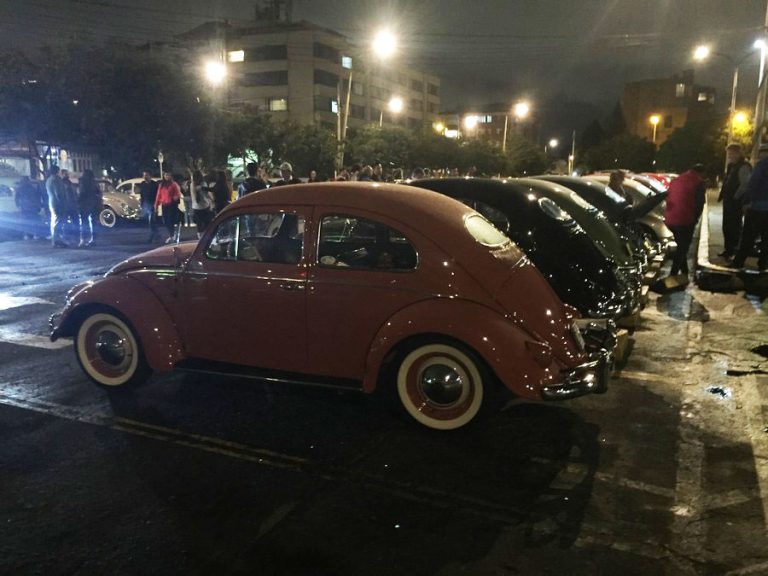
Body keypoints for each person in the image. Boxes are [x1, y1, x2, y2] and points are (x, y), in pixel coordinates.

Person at [664, 164, 706, 277]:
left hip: (670, 219)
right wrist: (695, 218)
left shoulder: (677, 179)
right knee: (683, 248)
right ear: (701, 173)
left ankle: (684, 272)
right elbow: (700, 203)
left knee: (682, 245)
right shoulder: (699, 182)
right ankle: (672, 275)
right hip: (685, 219)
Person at [732, 144, 768, 271]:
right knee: (766, 239)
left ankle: (738, 262)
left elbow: (753, 184)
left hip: (757, 208)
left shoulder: (761, 165)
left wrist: (747, 202)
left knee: (748, 237)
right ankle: (763, 264)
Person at [717, 143, 752, 259]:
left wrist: (735, 197)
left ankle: (733, 250)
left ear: (738, 153)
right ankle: (728, 249)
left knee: (734, 227)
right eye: (729, 154)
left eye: (732, 153)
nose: (730, 156)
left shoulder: (744, 166)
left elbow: (744, 185)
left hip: (736, 202)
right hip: (728, 201)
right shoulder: (731, 166)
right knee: (726, 226)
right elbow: (727, 182)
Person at [154, 171, 182, 244]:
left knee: (170, 220)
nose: (167, 176)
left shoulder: (174, 184)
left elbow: (178, 193)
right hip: (164, 205)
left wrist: (174, 198)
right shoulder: (161, 185)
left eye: (168, 175)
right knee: (165, 221)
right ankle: (171, 234)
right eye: (166, 175)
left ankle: (172, 235)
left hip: (171, 205)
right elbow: (158, 195)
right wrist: (156, 205)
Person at [77, 169, 102, 247]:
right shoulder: (94, 183)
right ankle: (93, 239)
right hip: (94, 204)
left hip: (84, 205)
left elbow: (81, 193)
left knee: (84, 222)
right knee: (94, 222)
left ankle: (83, 240)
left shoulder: (83, 182)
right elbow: (99, 193)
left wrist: (78, 201)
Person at [45, 165, 68, 247]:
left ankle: (55, 240)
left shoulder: (48, 180)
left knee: (54, 221)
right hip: (58, 204)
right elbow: (58, 193)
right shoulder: (56, 180)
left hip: (52, 203)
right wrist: (63, 202)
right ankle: (57, 240)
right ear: (57, 171)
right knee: (58, 222)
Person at [190, 169, 213, 238]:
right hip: (205, 205)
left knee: (199, 223)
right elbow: (206, 194)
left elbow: (192, 195)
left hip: (196, 206)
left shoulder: (192, 184)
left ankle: (200, 236)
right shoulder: (203, 183)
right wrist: (212, 200)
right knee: (207, 222)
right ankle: (207, 235)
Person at [138, 171, 159, 242]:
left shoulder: (155, 184)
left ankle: (152, 236)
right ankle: (156, 233)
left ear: (150, 176)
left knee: (152, 220)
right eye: (144, 175)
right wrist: (142, 204)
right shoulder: (142, 184)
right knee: (148, 221)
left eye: (146, 175)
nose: (145, 177)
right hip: (146, 204)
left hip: (153, 204)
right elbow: (142, 194)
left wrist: (156, 204)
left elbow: (157, 195)